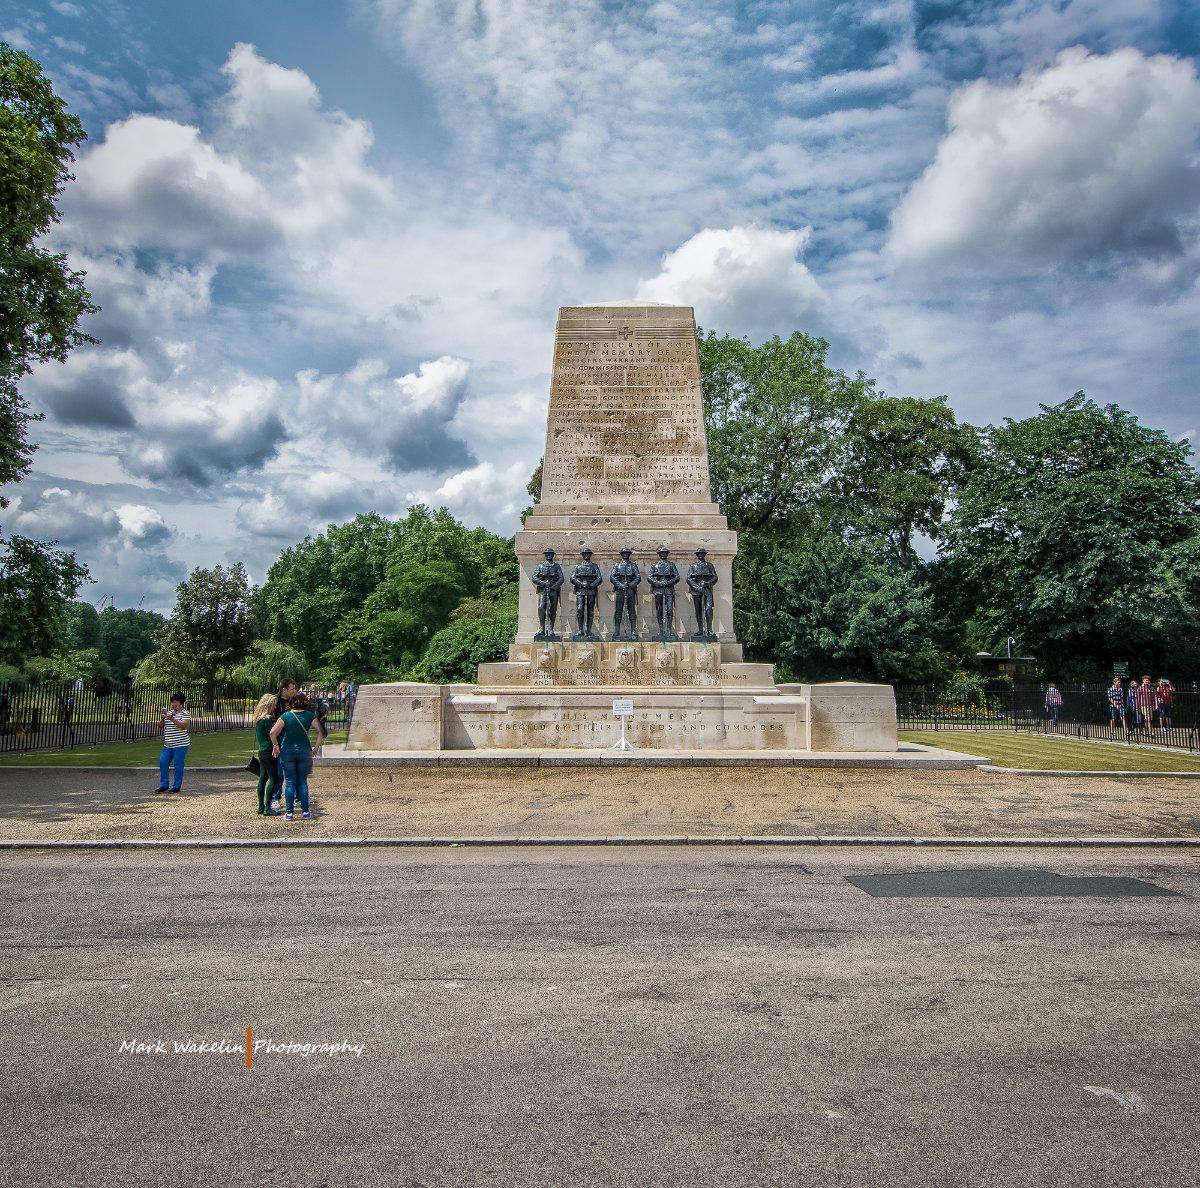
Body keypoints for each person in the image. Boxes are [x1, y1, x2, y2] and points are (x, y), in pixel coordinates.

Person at [270, 692, 326, 821]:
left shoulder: (286, 716)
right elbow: (320, 732)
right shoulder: (309, 716)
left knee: (289, 782)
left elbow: (273, 732)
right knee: (302, 782)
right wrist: (316, 747)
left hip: (287, 750)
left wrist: (275, 745)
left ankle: (289, 813)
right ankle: (306, 811)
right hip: (304, 750)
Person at [252, 693, 280, 815]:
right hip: (269, 751)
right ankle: (268, 807)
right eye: (274, 704)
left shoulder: (258, 719)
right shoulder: (268, 720)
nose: (275, 707)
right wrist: (276, 745)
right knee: (274, 778)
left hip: (262, 751)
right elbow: (272, 734)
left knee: (263, 779)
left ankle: (261, 806)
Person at [156, 692, 190, 794]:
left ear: (181, 703)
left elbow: (184, 725)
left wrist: (172, 719)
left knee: (178, 764)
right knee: (163, 762)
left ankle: (176, 786)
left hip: (180, 744)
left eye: (176, 702)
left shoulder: (185, 713)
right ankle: (164, 784)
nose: (173, 704)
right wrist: (162, 719)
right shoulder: (169, 713)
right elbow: (160, 725)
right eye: (172, 702)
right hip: (168, 744)